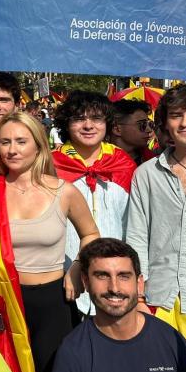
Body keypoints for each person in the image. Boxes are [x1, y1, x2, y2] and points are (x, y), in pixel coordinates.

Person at [0, 111, 99, 372]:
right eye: (5, 142)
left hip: (54, 304)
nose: (12, 150)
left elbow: (91, 234)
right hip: (1, 304)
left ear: (38, 145)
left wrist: (78, 266)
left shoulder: (64, 191)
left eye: (21, 141)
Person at [127, 83, 186, 343]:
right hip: (157, 303)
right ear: (165, 123)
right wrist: (138, 298)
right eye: (176, 115)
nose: (185, 122)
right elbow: (137, 238)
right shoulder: (146, 174)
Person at [51, 238, 186, 372]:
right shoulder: (73, 352)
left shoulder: (170, 340)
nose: (114, 287)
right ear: (85, 281)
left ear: (139, 284)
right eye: (102, 275)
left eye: (124, 276)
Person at [52, 90, 136, 319]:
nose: (88, 125)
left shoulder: (124, 164)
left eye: (97, 118)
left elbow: (134, 223)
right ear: (66, 125)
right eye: (79, 119)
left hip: (115, 278)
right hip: (63, 274)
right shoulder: (50, 166)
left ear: (107, 124)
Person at [111, 99, 156, 165]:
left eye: (150, 124)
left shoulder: (153, 160)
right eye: (142, 124)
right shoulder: (97, 161)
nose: (149, 130)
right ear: (117, 129)